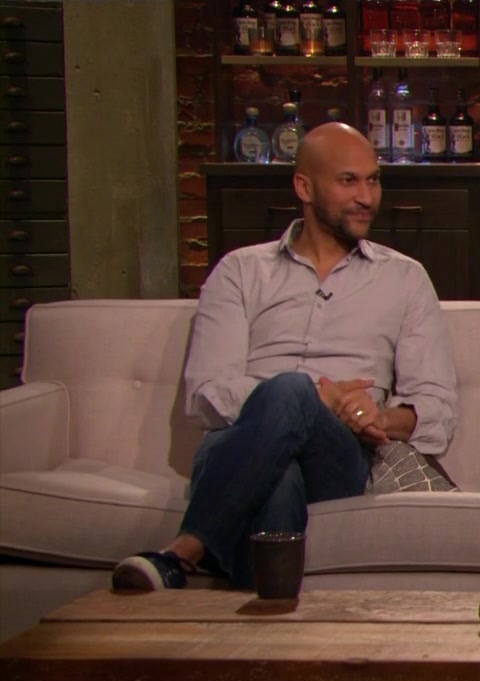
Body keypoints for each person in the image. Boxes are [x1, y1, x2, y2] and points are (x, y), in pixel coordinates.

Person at [111, 123, 458, 591]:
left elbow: (437, 409)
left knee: (293, 395)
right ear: (304, 187)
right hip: (240, 442)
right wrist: (312, 397)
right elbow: (207, 394)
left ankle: (183, 551)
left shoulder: (406, 279)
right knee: (280, 472)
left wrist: (376, 416)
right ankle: (270, 617)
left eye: (373, 180)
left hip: (339, 454)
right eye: (348, 181)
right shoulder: (240, 272)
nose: (367, 197)